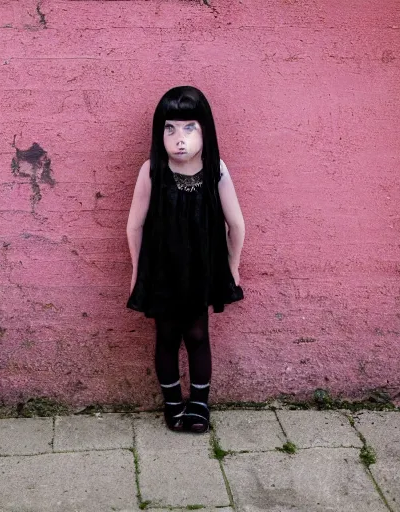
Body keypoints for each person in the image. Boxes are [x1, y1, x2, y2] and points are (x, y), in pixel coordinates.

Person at [126, 86, 245, 433]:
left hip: (200, 271)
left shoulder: (216, 171)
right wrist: (137, 271)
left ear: (205, 129)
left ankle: (199, 403)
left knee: (196, 334)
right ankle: (172, 403)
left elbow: (236, 224)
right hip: (162, 270)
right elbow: (134, 225)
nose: (180, 139)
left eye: (189, 127)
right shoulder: (152, 172)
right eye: (170, 129)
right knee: (166, 335)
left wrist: (232, 267)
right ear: (159, 133)